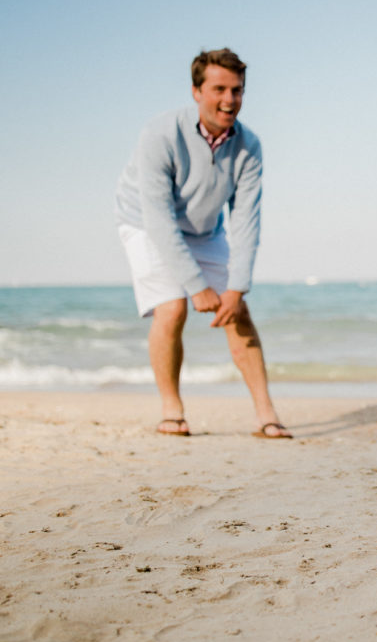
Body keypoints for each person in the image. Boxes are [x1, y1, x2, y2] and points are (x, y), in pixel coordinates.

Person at [115, 48, 290, 439]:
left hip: (204, 230)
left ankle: (266, 414)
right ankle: (172, 408)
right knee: (172, 307)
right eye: (219, 89)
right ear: (197, 91)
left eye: (237, 90)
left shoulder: (249, 146)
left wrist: (234, 287)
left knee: (237, 309)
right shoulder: (159, 134)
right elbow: (158, 219)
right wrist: (196, 286)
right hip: (144, 222)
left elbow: (245, 221)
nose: (229, 99)